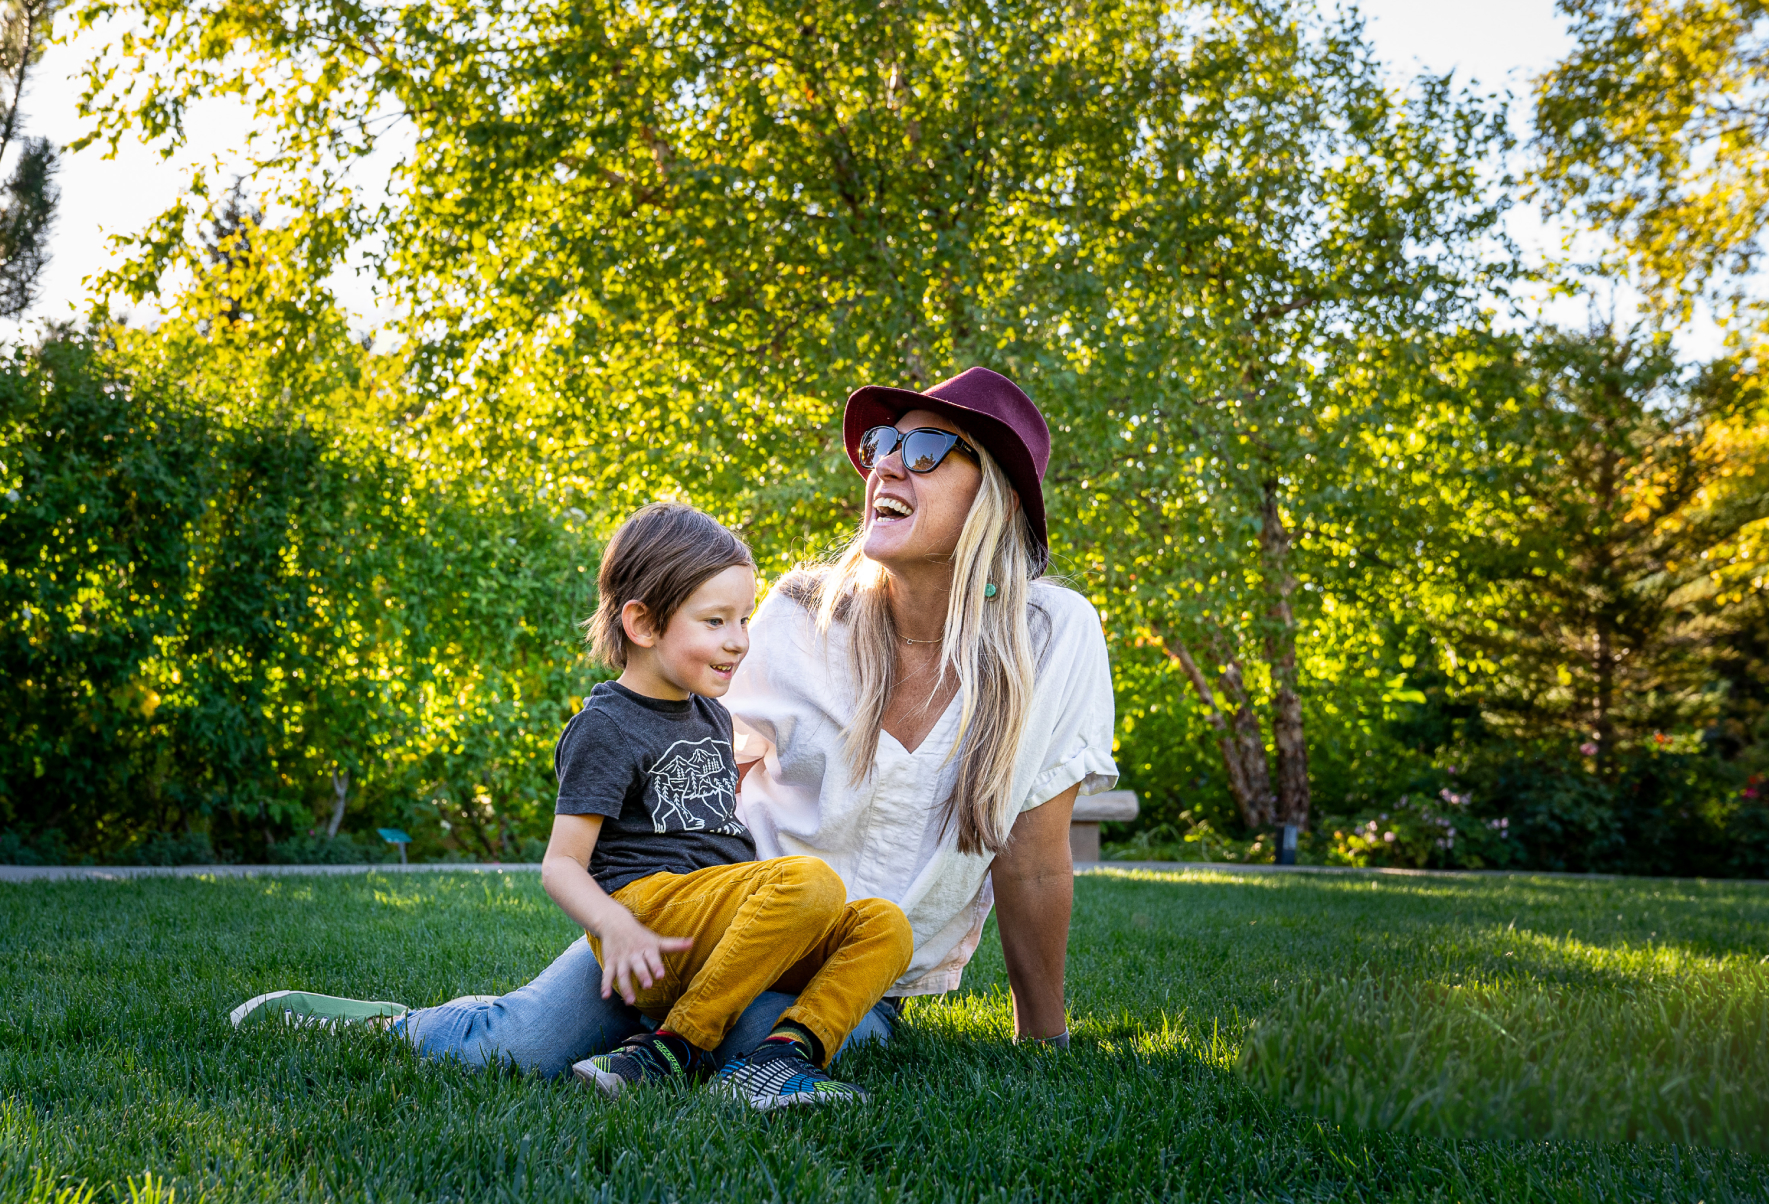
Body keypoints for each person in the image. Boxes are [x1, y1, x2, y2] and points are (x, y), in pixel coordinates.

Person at [236, 367, 1115, 1073]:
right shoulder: (798, 616)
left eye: (923, 450)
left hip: (854, 970)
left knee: (770, 1041)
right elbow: (679, 748)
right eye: (880, 445)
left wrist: (1044, 1041)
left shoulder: (1054, 638)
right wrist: (642, 888)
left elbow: (1036, 861)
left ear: (997, 496)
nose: (886, 464)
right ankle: (399, 1026)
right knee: (521, 1047)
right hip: (713, 919)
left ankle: (666, 1041)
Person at [542, 502, 912, 1108]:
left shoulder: (712, 715)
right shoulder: (605, 726)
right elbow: (561, 864)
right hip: (647, 915)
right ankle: (673, 1048)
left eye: (743, 619)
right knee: (810, 882)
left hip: (718, 929)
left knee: (886, 926)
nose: (739, 641)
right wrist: (613, 925)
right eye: (715, 621)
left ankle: (781, 1059)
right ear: (642, 623)